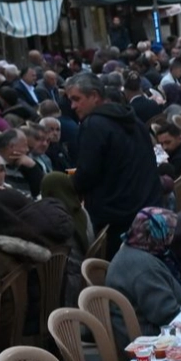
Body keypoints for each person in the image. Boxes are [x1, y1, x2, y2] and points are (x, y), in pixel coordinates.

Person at [64, 74, 163, 250]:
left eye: (76, 99)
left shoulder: (93, 125)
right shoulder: (133, 119)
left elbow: (87, 173)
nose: (73, 106)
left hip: (117, 217)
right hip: (148, 207)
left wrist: (72, 183)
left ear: (94, 96)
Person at [105, 206, 181, 342]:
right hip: (147, 338)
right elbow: (167, 315)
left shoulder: (138, 249)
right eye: (170, 233)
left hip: (148, 327)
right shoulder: (143, 267)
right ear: (158, 235)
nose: (173, 237)